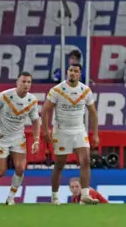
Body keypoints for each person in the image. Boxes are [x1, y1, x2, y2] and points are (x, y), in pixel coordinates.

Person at [41, 64, 100, 205]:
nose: (73, 73)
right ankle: (55, 197)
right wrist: (45, 130)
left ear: (80, 74)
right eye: (71, 70)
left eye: (76, 71)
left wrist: (96, 134)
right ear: (67, 72)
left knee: (85, 160)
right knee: (60, 164)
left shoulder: (85, 90)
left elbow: (93, 114)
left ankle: (85, 196)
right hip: (61, 130)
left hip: (79, 129)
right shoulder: (57, 90)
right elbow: (45, 111)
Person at [0, 72, 41, 205]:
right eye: (23, 82)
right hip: (2, 138)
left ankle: (11, 198)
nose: (26, 84)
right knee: (1, 171)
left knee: (20, 168)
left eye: (29, 82)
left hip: (18, 138)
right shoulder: (5, 96)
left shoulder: (32, 100)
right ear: (17, 83)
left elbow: (36, 121)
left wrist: (36, 140)